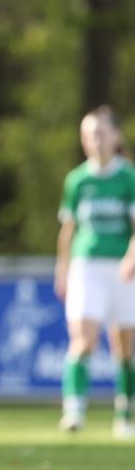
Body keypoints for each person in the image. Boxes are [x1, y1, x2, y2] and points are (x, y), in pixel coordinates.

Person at [54, 105, 135, 439]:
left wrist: (131, 257)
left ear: (116, 136)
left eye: (100, 133)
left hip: (122, 270)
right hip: (86, 267)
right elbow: (68, 230)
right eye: (88, 135)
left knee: (124, 347)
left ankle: (125, 413)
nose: (94, 141)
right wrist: (62, 268)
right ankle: (74, 409)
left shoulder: (128, 177)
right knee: (83, 340)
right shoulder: (78, 180)